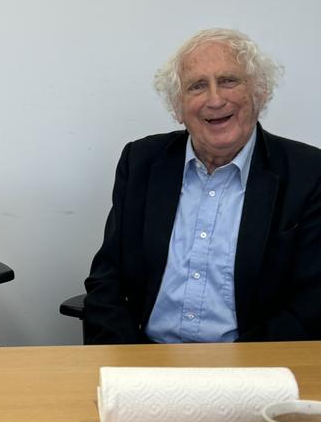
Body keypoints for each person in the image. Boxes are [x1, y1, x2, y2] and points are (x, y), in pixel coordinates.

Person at [84, 28, 321, 344]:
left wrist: (237, 374)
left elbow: (310, 303)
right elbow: (107, 280)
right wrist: (129, 363)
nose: (215, 99)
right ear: (177, 108)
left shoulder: (308, 173)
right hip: (146, 361)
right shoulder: (140, 161)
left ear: (260, 92)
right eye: (197, 86)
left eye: (228, 81)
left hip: (254, 366)